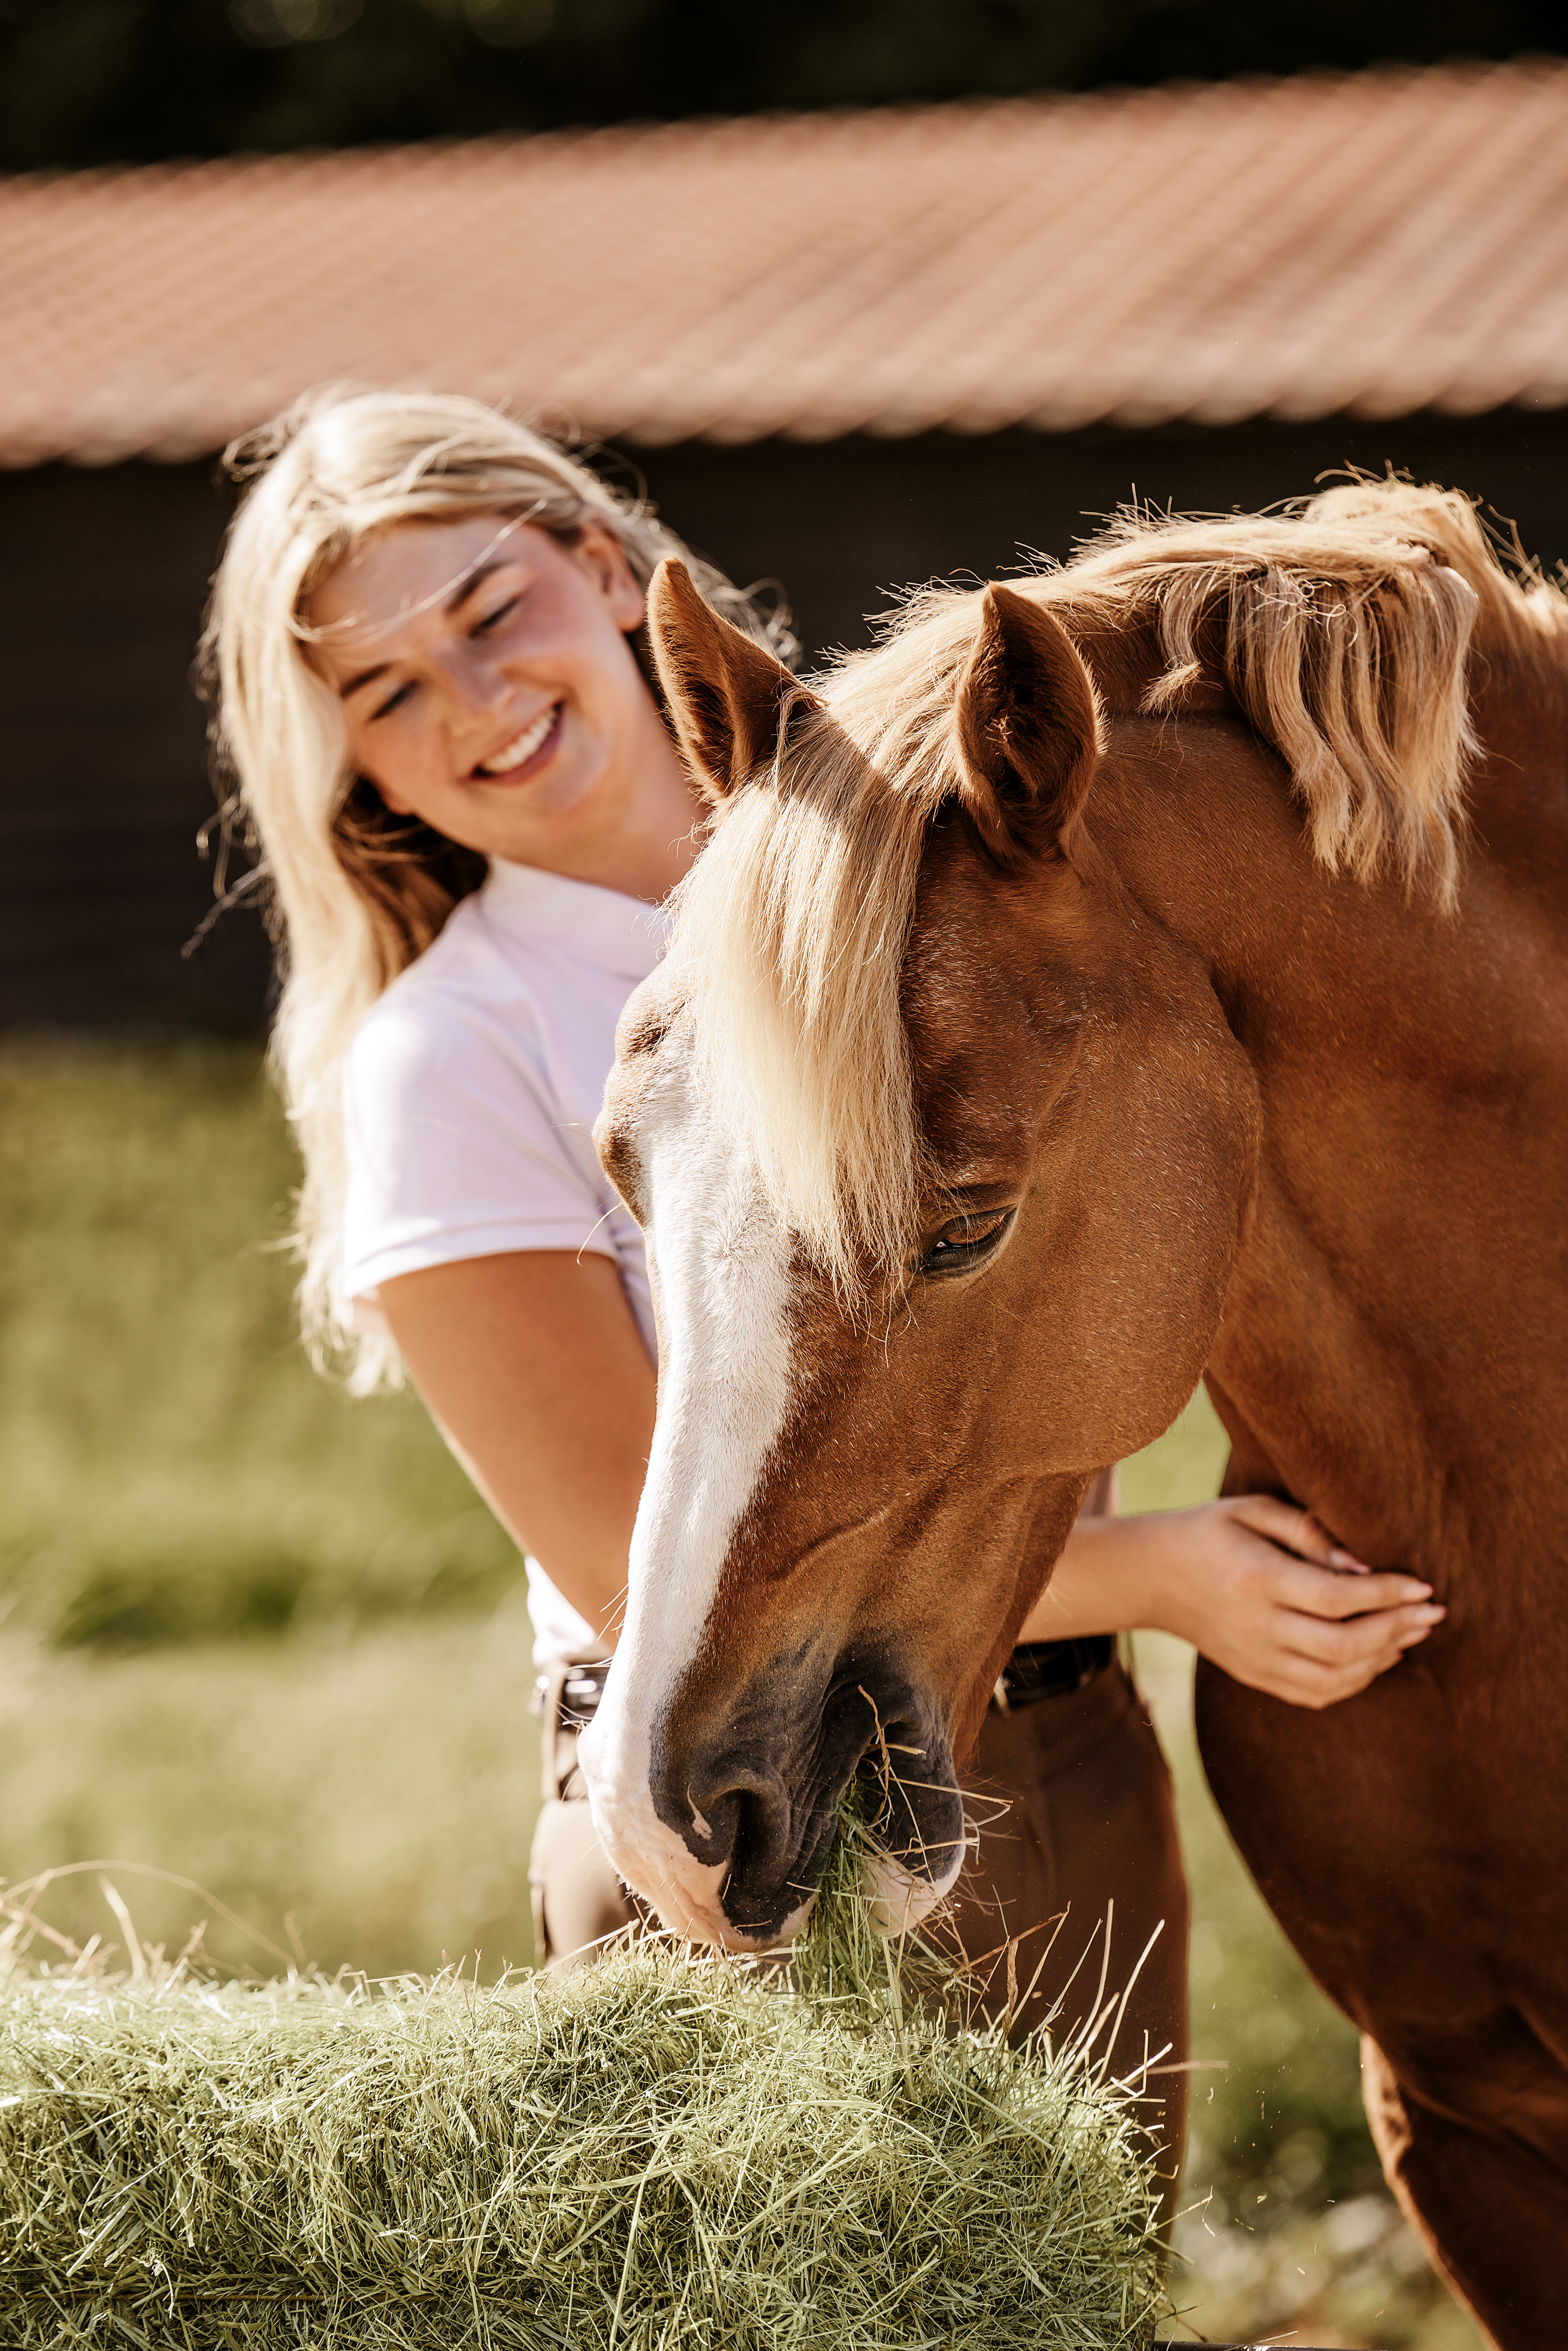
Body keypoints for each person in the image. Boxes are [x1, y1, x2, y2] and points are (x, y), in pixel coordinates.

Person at [202, 383, 1445, 2203]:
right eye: (381, 694)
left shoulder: (932, 900)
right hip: (746, 1801)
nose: (470, 700)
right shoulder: (452, 1053)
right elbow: (622, 1566)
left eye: (488, 614)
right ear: (349, 776)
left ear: (610, 568)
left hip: (1060, 1764)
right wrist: (1169, 1573)